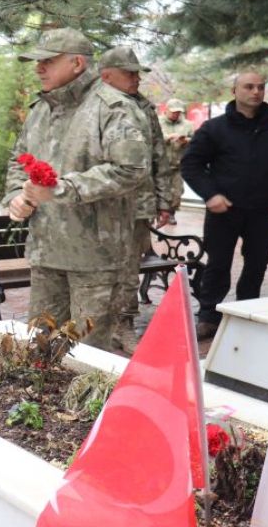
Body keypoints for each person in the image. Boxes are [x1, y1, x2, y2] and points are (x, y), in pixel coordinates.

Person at [4, 29, 150, 351]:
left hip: (95, 257)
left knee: (87, 354)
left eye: (47, 61)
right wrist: (16, 195)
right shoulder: (42, 109)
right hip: (47, 250)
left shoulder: (114, 108)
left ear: (77, 63)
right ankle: (39, 401)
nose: (38, 68)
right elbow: (19, 159)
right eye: (37, 62)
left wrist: (63, 189)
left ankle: (86, 405)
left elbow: (131, 170)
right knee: (39, 344)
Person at [181, 71, 268, 339]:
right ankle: (209, 316)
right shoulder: (215, 128)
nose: (256, 92)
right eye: (249, 87)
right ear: (234, 91)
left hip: (264, 212)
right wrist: (210, 194)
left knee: (256, 266)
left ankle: (249, 311)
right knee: (218, 264)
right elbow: (191, 164)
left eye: (260, 87)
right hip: (224, 210)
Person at [98, 46, 175, 353]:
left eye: (137, 73)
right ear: (107, 75)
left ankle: (124, 325)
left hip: (137, 205)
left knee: (130, 269)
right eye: (129, 73)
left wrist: (165, 199)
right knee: (98, 269)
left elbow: (159, 154)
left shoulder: (143, 108)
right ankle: (96, 327)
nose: (136, 79)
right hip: (98, 203)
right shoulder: (90, 107)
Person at [158, 98, 195, 213]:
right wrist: (168, 137)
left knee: (177, 192)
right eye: (174, 112)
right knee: (160, 190)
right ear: (167, 110)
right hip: (161, 164)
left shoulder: (188, 124)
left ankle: (171, 212)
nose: (176, 114)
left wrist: (186, 140)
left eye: (178, 112)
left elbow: (195, 140)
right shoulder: (157, 122)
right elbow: (151, 138)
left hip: (178, 164)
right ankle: (159, 212)